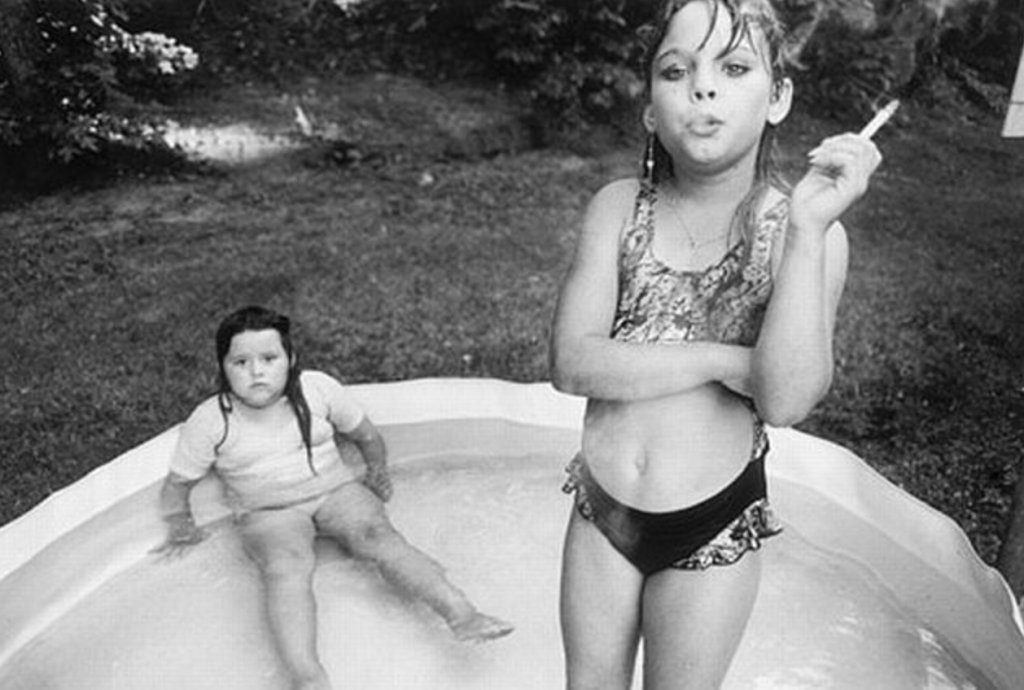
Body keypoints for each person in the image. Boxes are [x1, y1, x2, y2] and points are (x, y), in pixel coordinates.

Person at [549, 0, 883, 687]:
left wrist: (809, 233)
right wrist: (726, 360)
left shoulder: (802, 233)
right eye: (677, 71)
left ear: (779, 98)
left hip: (711, 524)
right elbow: (573, 363)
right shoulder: (617, 209)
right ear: (650, 107)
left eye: (733, 68)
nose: (702, 87)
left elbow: (786, 397)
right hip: (602, 508)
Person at [155, 305, 513, 690]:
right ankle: (306, 676)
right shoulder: (212, 419)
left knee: (378, 537)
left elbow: (366, 436)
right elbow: (178, 485)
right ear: (222, 367)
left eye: (269, 359)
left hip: (334, 491)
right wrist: (180, 526)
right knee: (286, 566)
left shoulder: (317, 390)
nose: (256, 371)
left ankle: (461, 614)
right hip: (268, 511)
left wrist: (377, 473)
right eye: (241, 361)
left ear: (290, 360)